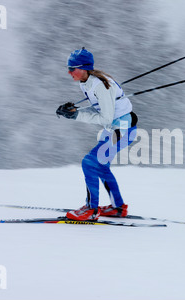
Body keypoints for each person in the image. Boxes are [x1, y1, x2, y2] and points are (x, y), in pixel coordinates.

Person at [56, 47, 138, 221]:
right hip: (117, 127)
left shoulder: (100, 85)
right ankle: (117, 207)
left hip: (122, 129)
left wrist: (77, 115)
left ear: (84, 68)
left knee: (89, 162)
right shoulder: (86, 82)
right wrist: (73, 111)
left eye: (73, 68)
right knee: (99, 166)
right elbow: (98, 108)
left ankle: (91, 210)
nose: (69, 72)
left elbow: (105, 117)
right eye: (68, 68)